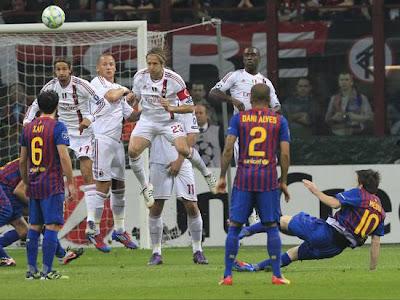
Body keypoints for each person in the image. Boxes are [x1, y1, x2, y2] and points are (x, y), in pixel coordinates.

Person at [234, 169, 385, 273]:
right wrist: (372, 269)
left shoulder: (360, 194)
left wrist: (315, 191)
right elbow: (375, 242)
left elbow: (334, 203)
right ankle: (254, 267)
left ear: (362, 184)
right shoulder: (381, 212)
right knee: (293, 254)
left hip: (325, 233)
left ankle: (243, 232)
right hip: (335, 249)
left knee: (282, 220)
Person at [23, 57, 109, 238]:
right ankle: (57, 202)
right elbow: (34, 106)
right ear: (55, 71)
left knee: (87, 171)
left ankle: (91, 221)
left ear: (70, 70)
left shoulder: (82, 85)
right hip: (60, 132)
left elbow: (102, 103)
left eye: (64, 69)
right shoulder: (50, 87)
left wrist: (90, 118)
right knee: (54, 169)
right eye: (58, 69)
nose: (61, 72)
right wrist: (27, 122)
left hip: (83, 133)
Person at [216, 83, 291, 286]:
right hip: (267, 180)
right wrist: (283, 180)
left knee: (234, 227)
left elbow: (229, 147)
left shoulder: (239, 118)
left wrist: (222, 176)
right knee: (271, 226)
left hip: (244, 179)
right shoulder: (279, 120)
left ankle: (227, 275)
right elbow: (284, 153)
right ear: (269, 99)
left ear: (250, 97)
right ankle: (276, 275)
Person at [128, 47, 217, 201]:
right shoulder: (140, 77)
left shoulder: (175, 80)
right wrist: (131, 99)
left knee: (183, 149)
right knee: (132, 151)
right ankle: (145, 187)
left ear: (162, 64)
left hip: (168, 122)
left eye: (155, 63)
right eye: (149, 63)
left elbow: (190, 107)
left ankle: (207, 174)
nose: (151, 67)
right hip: (148, 120)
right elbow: (135, 97)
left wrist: (171, 107)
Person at [85, 53, 141, 252]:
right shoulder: (97, 83)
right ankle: (93, 230)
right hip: (102, 140)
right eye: (105, 65)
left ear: (115, 68)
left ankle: (119, 230)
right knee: (103, 185)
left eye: (112, 65)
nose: (109, 67)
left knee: (119, 186)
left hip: (117, 142)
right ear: (98, 69)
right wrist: (126, 89)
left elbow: (131, 116)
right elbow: (111, 97)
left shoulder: (116, 89)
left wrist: (142, 104)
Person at [20, 90, 76, 280]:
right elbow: (63, 156)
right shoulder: (58, 127)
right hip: (52, 183)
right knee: (52, 226)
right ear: (57, 106)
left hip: (34, 181)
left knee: (34, 226)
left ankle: (30, 271)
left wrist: (27, 181)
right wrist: (70, 181)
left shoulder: (27, 128)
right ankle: (47, 271)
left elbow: (22, 160)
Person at [147, 110, 208, 265]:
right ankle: (156, 252)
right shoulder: (151, 105)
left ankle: (197, 250)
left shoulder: (185, 108)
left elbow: (192, 137)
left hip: (183, 162)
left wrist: (179, 161)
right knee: (156, 206)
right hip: (157, 160)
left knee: (191, 205)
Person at [325, 71, 373, 136]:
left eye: (346, 80)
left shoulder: (361, 98)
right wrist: (334, 118)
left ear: (351, 82)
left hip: (356, 134)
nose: (343, 82)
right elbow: (327, 120)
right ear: (339, 82)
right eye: (341, 80)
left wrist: (356, 117)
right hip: (338, 134)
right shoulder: (334, 98)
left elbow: (370, 118)